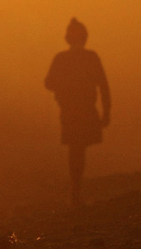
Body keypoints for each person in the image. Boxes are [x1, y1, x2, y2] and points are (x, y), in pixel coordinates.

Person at [44, 18, 111, 206]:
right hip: (85, 109)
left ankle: (75, 189)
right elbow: (104, 86)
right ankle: (76, 190)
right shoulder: (91, 57)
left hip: (69, 110)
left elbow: (48, 83)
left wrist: (63, 88)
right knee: (78, 149)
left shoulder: (61, 58)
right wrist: (106, 111)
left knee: (75, 149)